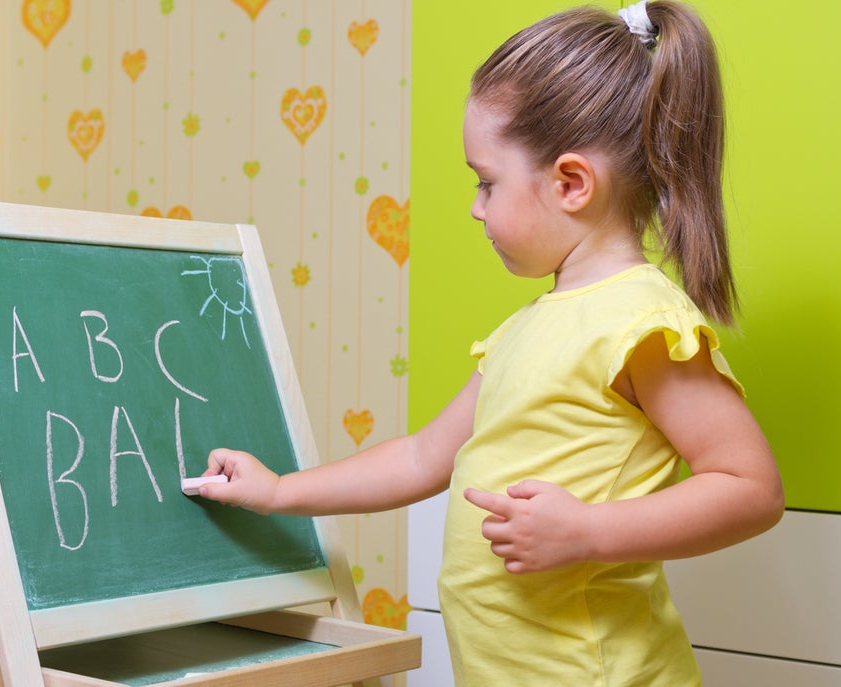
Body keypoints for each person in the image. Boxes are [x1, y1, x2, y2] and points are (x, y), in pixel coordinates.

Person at [197, 1, 784, 684]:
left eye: (487, 182)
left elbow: (750, 488)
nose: (476, 206)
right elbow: (421, 455)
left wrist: (589, 531)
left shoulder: (642, 322)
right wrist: (278, 491)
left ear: (570, 182)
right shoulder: (526, 329)